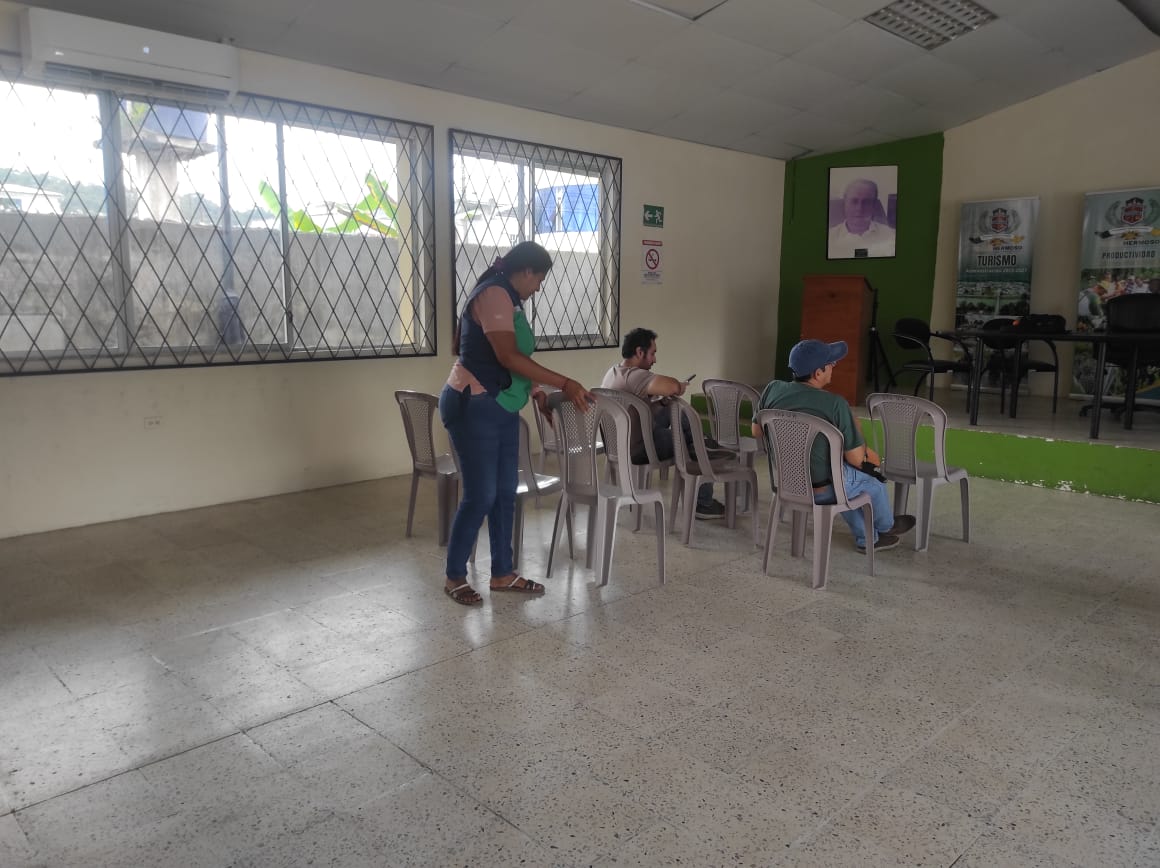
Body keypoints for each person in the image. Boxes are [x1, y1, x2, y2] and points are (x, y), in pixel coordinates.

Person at [439, 241, 593, 605]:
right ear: (525, 271)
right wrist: (565, 383)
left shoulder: (510, 298)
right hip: (474, 403)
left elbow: (515, 357)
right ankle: (454, 575)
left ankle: (503, 573)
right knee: (481, 494)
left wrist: (536, 392)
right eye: (538, 279)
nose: (538, 288)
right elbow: (507, 355)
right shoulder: (493, 293)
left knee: (505, 492)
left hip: (501, 405)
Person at [754, 339, 915, 552]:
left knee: (841, 478)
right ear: (818, 373)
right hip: (822, 490)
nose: (833, 367)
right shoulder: (835, 404)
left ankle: (867, 538)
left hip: (787, 483)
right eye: (831, 363)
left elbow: (756, 431)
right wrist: (857, 431)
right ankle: (887, 526)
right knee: (871, 482)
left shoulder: (772, 389)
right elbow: (856, 460)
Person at [601, 327, 727, 519]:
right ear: (639, 352)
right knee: (686, 440)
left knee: (673, 412)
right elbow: (672, 386)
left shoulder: (613, 372)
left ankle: (704, 444)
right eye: (652, 353)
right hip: (639, 448)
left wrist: (661, 403)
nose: (655, 360)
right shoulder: (635, 375)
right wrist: (679, 387)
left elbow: (637, 410)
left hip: (619, 443)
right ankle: (703, 501)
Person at [827, 178, 896, 259]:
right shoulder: (829, 238)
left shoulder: (891, 235)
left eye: (866, 202)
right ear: (845, 203)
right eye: (854, 201)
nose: (859, 208)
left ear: (874, 205)